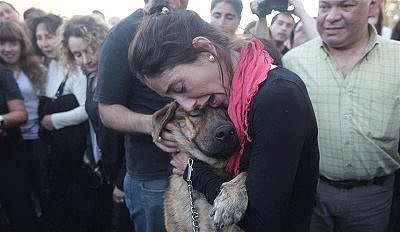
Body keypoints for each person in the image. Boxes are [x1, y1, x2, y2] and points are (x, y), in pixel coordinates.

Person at [129, 9, 319, 231]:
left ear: (206, 50)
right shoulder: (240, 97)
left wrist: (193, 172)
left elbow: (261, 221)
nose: (187, 105)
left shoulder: (277, 97)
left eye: (181, 88)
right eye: (173, 98)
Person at [282, 0, 400, 231]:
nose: (331, 17)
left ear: (372, 7)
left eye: (345, 6)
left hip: (374, 199)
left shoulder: (398, 60)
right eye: (325, 7)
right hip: (311, 194)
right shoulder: (294, 61)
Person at [94, 0, 188, 231]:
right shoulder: (124, 34)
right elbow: (107, 111)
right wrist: (152, 124)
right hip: (153, 177)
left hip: (196, 171)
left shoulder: (189, 26)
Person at [58, 14, 133, 232]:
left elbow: (133, 137)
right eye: (77, 54)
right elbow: (94, 122)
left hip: (128, 173)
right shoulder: (91, 77)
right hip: (106, 169)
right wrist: (91, 153)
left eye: (90, 50)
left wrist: (122, 181)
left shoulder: (120, 77)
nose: (85, 59)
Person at [32, 14, 88, 231]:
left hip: (72, 151)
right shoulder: (48, 66)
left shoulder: (74, 68)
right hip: (54, 149)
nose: (44, 43)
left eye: (49, 36)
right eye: (39, 37)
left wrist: (53, 121)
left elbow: (86, 109)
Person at [0, 20, 50, 224]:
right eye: (2, 44)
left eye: (13, 43)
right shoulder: (2, 75)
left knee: (42, 186)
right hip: (11, 140)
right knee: (18, 192)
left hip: (37, 135)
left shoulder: (36, 68)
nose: (7, 49)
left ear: (22, 45)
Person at [0, 70, 35, 232]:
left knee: (19, 210)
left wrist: (1, 121)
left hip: (9, 155)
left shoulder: (4, 76)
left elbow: (21, 114)